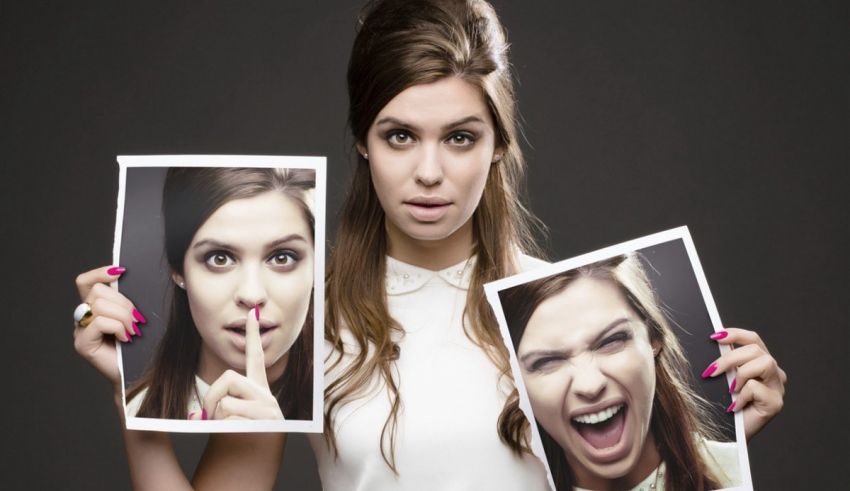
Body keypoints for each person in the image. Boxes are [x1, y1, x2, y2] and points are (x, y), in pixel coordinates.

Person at [72, 1, 785, 489]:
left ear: (498, 146)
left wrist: (727, 445)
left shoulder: (577, 324)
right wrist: (133, 400)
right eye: (400, 135)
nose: (430, 172)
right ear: (362, 139)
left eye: (461, 137)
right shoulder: (303, 320)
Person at [499, 254, 786, 491]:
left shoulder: (731, 475)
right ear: (519, 384)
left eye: (611, 341)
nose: (590, 385)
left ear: (654, 340)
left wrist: (733, 456)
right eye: (546, 362)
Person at [78, 166, 316, 423]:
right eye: (220, 258)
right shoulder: (141, 408)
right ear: (178, 270)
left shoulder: (351, 402)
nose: (251, 295)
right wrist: (120, 389)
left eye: (282, 257)